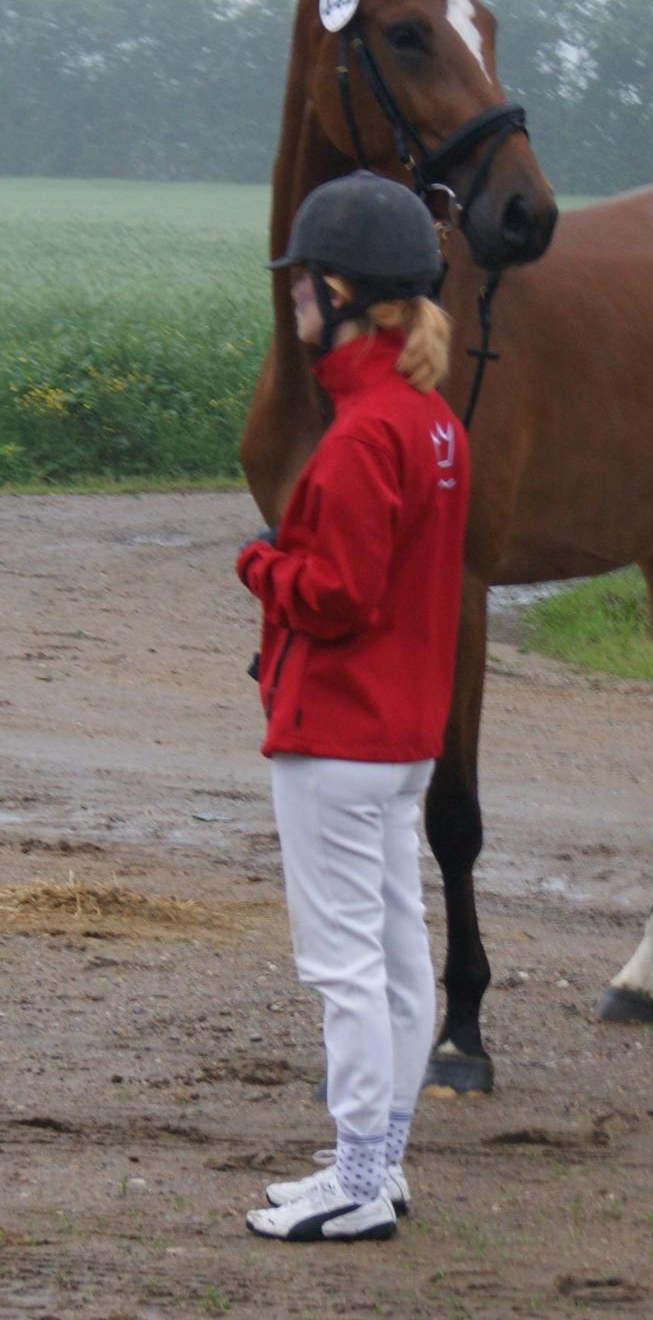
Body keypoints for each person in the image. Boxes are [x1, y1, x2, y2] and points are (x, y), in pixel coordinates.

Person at [236, 173, 469, 1243]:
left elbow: (336, 595)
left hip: (337, 731)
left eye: (301, 292)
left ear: (340, 294)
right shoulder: (429, 423)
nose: (293, 309)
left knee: (342, 962)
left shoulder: (360, 434)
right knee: (397, 950)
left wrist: (261, 566)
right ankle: (377, 1155)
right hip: (403, 732)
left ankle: (362, 1179)